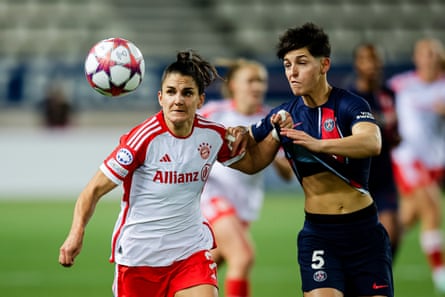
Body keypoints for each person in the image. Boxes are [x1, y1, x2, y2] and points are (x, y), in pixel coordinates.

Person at [58, 50, 248, 297]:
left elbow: (251, 163)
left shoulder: (213, 135)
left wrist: (269, 132)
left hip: (189, 252)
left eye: (187, 93)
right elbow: (93, 190)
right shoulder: (142, 139)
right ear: (161, 98)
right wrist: (76, 233)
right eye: (171, 92)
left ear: (200, 100)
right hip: (139, 259)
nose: (178, 100)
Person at [227, 22, 394, 297]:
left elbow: (372, 142)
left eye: (301, 63)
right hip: (320, 235)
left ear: (324, 64)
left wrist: (318, 145)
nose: (292, 72)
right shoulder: (282, 115)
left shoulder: (349, 105)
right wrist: (226, 146)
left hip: (364, 232)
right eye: (286, 64)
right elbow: (253, 160)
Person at [198, 58, 293, 297]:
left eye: (261, 80)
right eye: (250, 80)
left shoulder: (270, 121)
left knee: (203, 269)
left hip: (243, 205)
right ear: (233, 86)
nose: (257, 86)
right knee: (242, 256)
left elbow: (287, 173)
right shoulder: (213, 113)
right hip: (212, 197)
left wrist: (276, 152)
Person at [388, 37, 445, 292]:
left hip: (434, 160)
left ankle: (375, 255)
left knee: (407, 217)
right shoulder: (401, 85)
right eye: (425, 54)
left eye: (434, 54)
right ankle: (441, 275)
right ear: (417, 58)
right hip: (406, 157)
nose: (430, 58)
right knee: (432, 209)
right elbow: (377, 101)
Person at [343, 43, 402, 259]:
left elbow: (394, 134)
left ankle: (378, 280)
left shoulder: (388, 95)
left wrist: (394, 136)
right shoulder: (349, 97)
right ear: (357, 63)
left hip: (384, 175)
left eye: (375, 59)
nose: (372, 64)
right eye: (366, 59)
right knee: (358, 241)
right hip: (357, 178)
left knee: (391, 235)